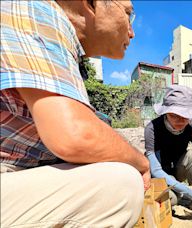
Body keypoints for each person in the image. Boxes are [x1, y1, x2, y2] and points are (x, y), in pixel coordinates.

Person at [1, 0, 150, 227]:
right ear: (92, 4)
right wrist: (142, 163)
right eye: (128, 14)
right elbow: (76, 135)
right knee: (117, 187)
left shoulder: (63, 43)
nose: (132, 32)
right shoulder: (37, 12)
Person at [144, 84, 192, 218]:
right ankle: (180, 194)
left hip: (178, 168)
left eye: (185, 115)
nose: (181, 120)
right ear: (165, 113)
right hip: (161, 172)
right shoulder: (152, 129)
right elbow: (155, 170)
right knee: (173, 199)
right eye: (174, 115)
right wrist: (185, 190)